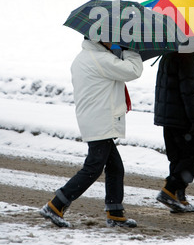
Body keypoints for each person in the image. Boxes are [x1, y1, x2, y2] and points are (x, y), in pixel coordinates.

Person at [40, 38, 143, 228]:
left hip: (94, 118)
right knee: (93, 167)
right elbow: (132, 70)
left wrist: (116, 51)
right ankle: (55, 205)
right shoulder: (100, 59)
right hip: (100, 119)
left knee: (115, 167)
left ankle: (115, 213)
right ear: (98, 39)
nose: (113, 42)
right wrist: (130, 50)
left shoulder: (84, 57)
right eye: (109, 39)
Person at [154, 47, 194, 213]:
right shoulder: (188, 57)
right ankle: (169, 191)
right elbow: (189, 91)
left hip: (169, 116)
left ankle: (178, 199)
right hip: (182, 118)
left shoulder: (169, 53)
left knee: (178, 158)